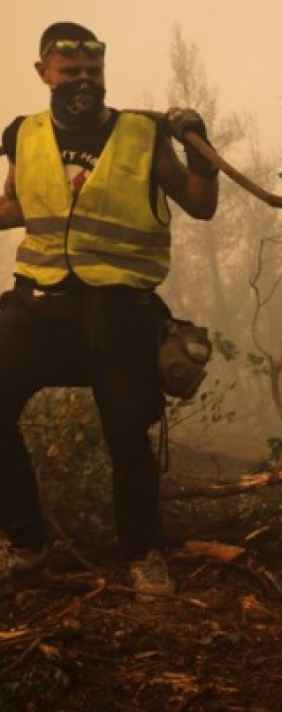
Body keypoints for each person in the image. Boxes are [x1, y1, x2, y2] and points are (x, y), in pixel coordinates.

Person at [0, 22, 219, 595]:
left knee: (127, 436)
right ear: (43, 72)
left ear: (104, 74)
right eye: (70, 73)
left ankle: (145, 555)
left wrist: (202, 149)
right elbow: (15, 204)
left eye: (92, 73)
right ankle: (27, 545)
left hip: (120, 314)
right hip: (40, 303)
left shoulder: (142, 135)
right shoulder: (22, 134)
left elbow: (200, 204)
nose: (82, 83)